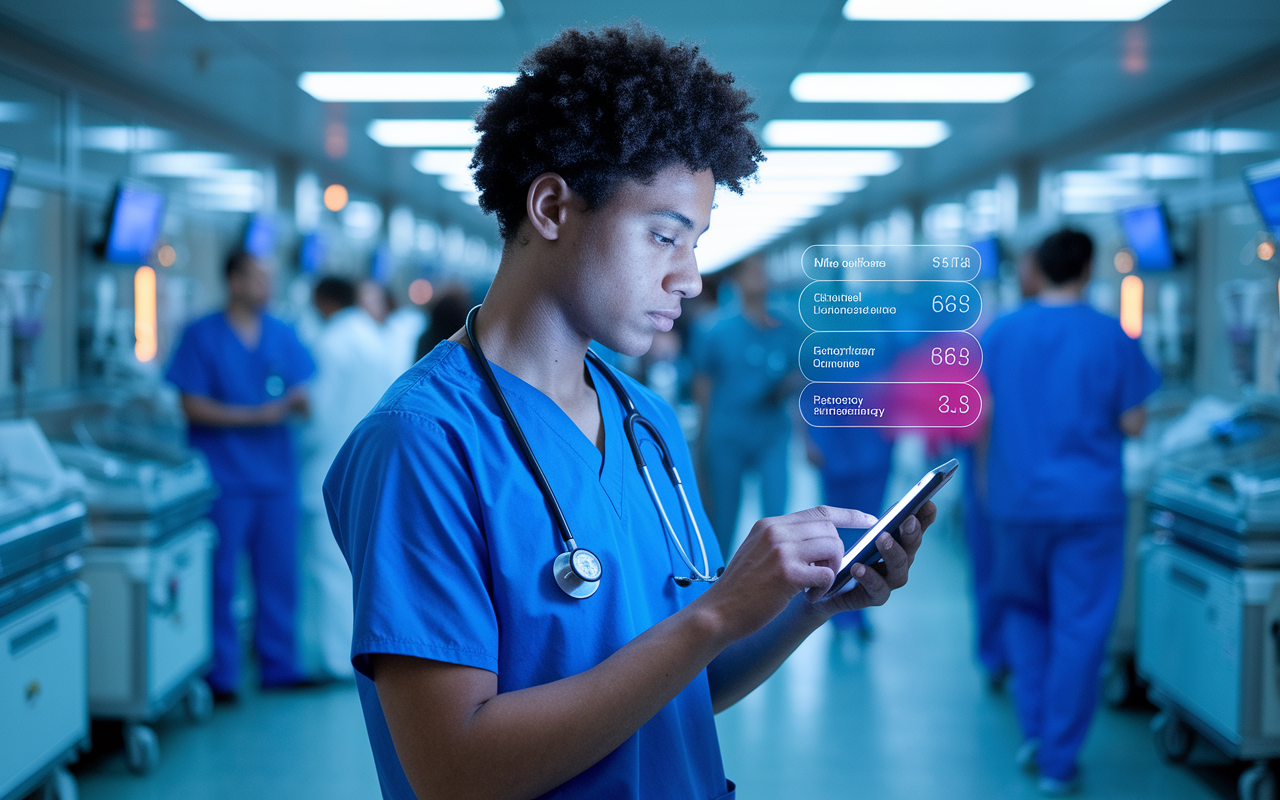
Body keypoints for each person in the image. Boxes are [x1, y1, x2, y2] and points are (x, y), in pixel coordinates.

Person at [324, 25, 934, 800]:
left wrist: (804, 611)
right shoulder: (423, 444)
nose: (689, 277)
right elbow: (456, 769)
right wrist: (713, 615)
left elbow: (684, 681)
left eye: (698, 242)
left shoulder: (645, 421)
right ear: (551, 207)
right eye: (663, 236)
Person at [981, 229, 1160, 795]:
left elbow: (976, 416)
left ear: (1039, 267)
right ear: (1088, 269)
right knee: (1080, 629)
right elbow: (1134, 422)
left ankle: (1035, 733)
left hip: (1014, 503)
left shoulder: (1001, 332)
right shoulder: (1111, 335)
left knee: (1025, 615)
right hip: (1088, 508)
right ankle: (1059, 761)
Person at [165, 250, 315, 700]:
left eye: (269, 279)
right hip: (224, 478)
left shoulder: (282, 334)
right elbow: (189, 404)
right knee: (220, 576)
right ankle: (221, 674)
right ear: (233, 280)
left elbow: (302, 394)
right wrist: (256, 416)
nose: (266, 288)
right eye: (257, 279)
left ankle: (279, 665)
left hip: (275, 479)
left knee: (279, 576)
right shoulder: (201, 335)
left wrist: (295, 405)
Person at [298, 276, 398, 680]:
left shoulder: (331, 343)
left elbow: (317, 419)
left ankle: (335, 659)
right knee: (356, 568)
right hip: (370, 468)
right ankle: (349, 652)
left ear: (323, 301)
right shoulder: (375, 338)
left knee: (327, 569)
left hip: (327, 465)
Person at [692, 254, 805, 559]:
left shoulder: (786, 329)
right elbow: (703, 387)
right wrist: (702, 446)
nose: (760, 276)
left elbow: (798, 384)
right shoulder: (714, 330)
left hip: (772, 433)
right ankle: (715, 585)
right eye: (752, 271)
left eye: (763, 270)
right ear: (737, 281)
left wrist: (806, 438)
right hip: (727, 434)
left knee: (777, 515)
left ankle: (774, 582)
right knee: (722, 519)